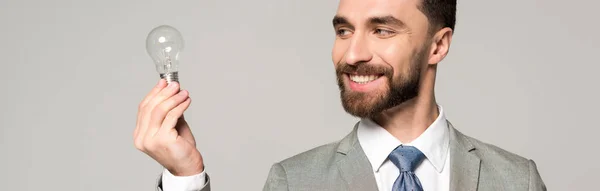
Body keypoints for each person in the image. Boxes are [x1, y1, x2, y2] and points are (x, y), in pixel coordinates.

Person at [133, 0, 547, 190]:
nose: (352, 53)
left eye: (383, 30)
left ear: (438, 46)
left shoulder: (516, 180)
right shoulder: (294, 182)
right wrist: (185, 177)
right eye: (343, 30)